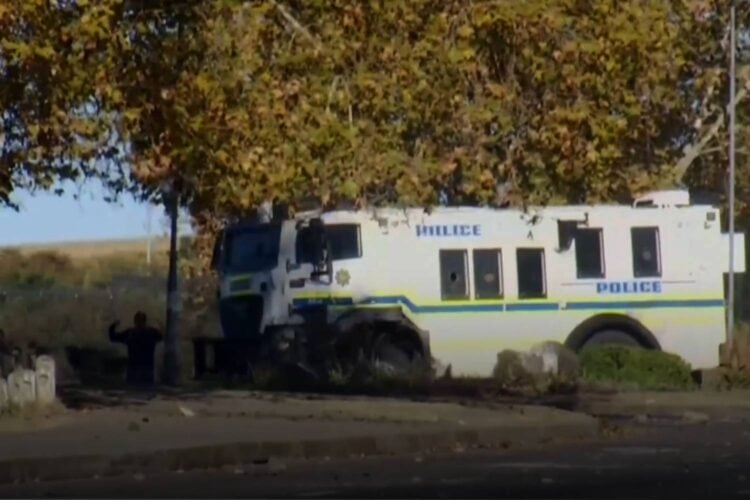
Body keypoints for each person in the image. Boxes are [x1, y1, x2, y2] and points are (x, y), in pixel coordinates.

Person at [108, 312, 163, 387]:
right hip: (144, 369)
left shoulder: (131, 333)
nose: (139, 323)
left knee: (134, 388)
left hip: (136, 369)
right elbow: (161, 336)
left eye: (140, 321)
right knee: (145, 389)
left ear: (135, 321)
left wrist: (113, 326)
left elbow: (113, 337)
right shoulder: (151, 332)